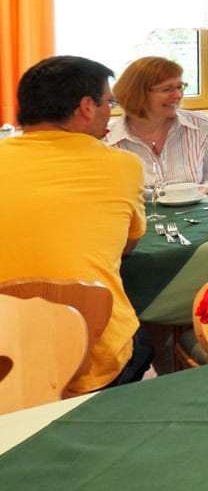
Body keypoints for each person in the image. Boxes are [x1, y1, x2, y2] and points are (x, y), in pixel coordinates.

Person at [0, 56, 151, 392]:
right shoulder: (123, 166)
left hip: (4, 361)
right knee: (142, 335)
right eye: (109, 103)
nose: (110, 112)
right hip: (90, 362)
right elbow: (127, 245)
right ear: (86, 107)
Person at [105, 56, 208, 186]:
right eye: (166, 89)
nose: (177, 95)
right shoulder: (108, 140)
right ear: (137, 94)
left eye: (179, 87)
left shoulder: (199, 125)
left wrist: (206, 190)